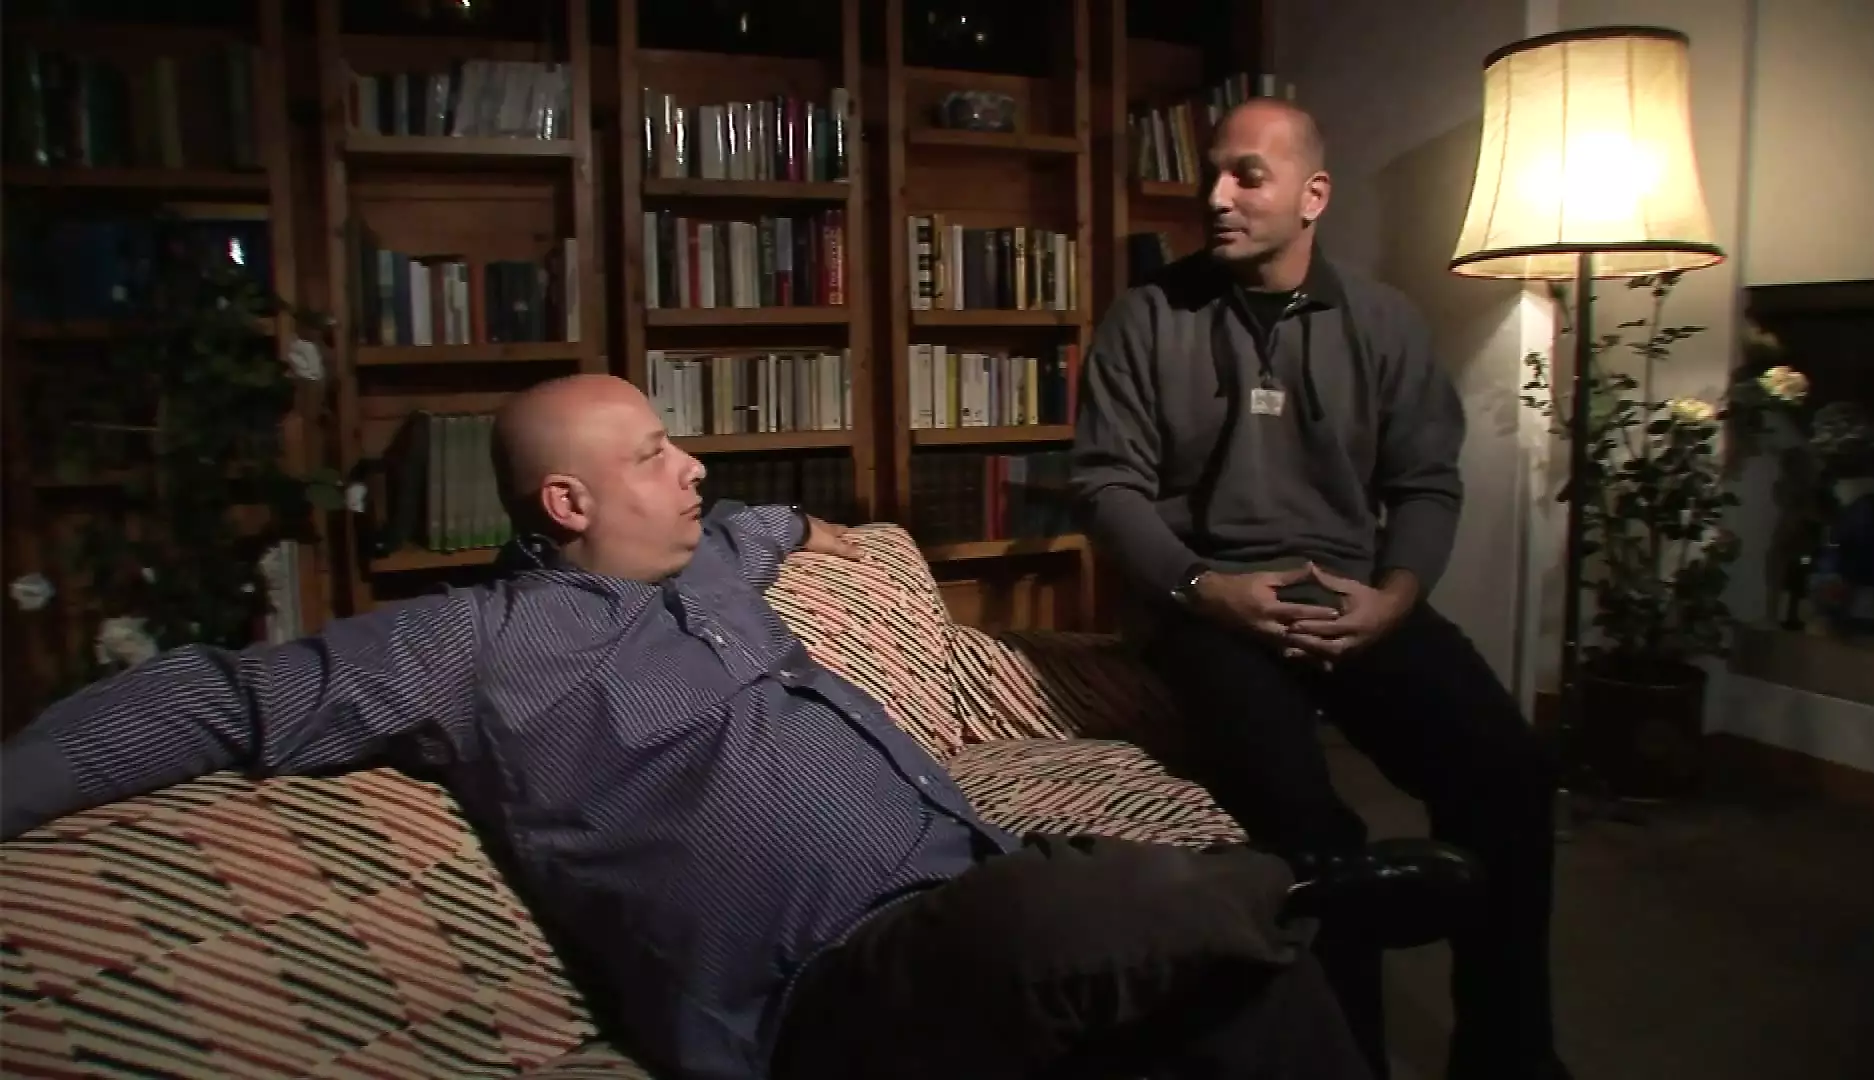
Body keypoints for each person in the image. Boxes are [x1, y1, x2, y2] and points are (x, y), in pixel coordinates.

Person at [2, 372, 1482, 1080]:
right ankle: (1297, 877)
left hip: (974, 883)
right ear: (568, 502)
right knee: (1095, 909)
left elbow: (783, 521)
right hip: (825, 993)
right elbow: (218, 696)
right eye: (657, 453)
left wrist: (849, 542)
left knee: (1228, 990)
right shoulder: (471, 643)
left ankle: (1271, 909)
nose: (694, 467)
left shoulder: (714, 556)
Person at [1070, 98, 1569, 1080]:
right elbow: (1106, 486)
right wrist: (1202, 586)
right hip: (1207, 605)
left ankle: (1507, 1055)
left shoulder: (1382, 320)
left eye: (1247, 175)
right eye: (1211, 173)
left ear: (1314, 195)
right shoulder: (1148, 317)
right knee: (1310, 830)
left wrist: (1395, 597)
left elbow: (1425, 483)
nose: (1216, 196)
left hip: (1351, 594)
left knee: (1509, 774)